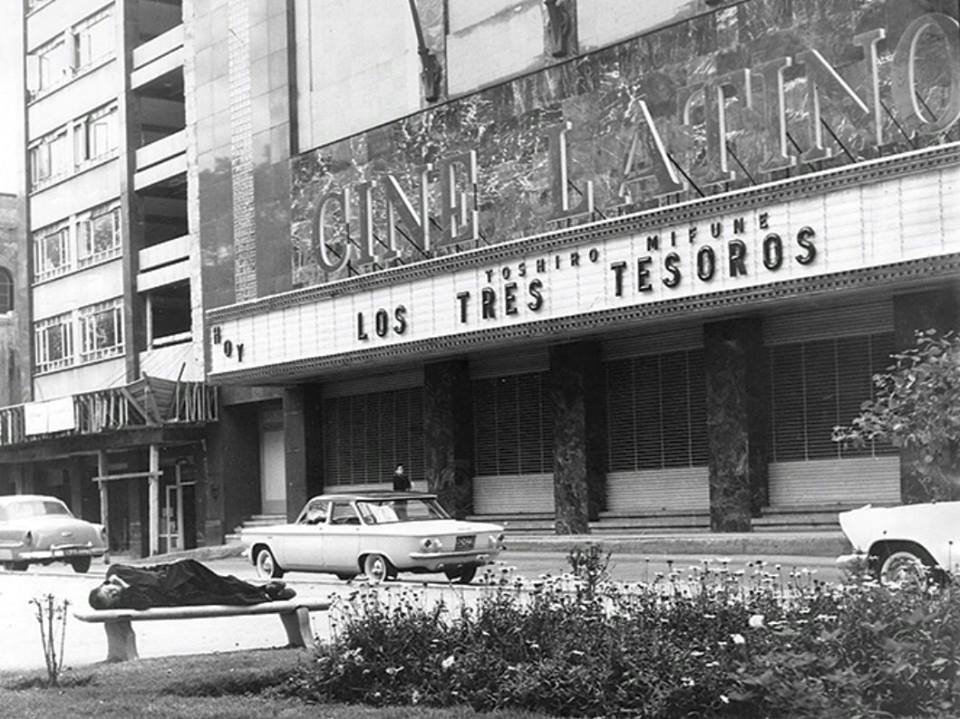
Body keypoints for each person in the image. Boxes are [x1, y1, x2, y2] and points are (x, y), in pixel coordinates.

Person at [88, 558, 295, 610]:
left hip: (175, 577)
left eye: (109, 591)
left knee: (222, 583)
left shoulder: (115, 570)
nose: (114, 592)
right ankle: (265, 593)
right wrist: (124, 590)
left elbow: (149, 570)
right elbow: (144, 603)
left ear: (103, 584)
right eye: (112, 598)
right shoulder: (127, 598)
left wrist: (168, 567)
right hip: (177, 595)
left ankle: (264, 592)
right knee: (221, 593)